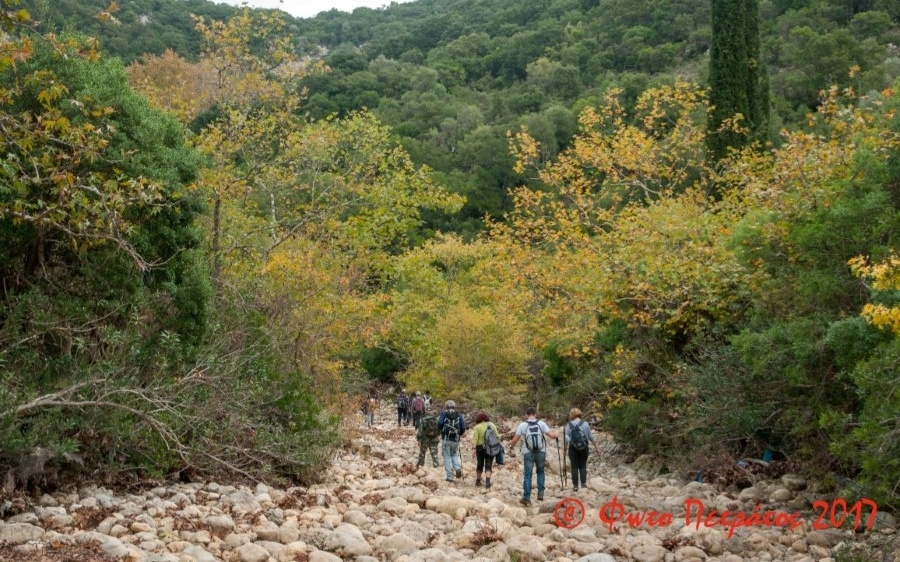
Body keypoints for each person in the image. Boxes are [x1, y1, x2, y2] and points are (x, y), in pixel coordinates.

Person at [508, 407, 558, 506]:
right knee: (540, 472)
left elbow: (515, 440)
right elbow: (552, 436)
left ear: (527, 415)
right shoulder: (541, 424)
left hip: (528, 453)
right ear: (535, 414)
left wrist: (511, 447)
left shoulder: (523, 425)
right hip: (541, 452)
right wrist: (557, 433)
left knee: (528, 474)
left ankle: (526, 498)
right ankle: (540, 493)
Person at [565, 408, 602, 491]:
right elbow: (590, 437)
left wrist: (564, 450)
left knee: (574, 467)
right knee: (582, 466)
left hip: (573, 448)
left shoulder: (569, 424)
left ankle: (575, 486)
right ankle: (583, 484)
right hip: (584, 448)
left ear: (572, 415)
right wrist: (596, 447)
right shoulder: (585, 424)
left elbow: (566, 437)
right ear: (579, 414)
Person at [438, 400, 466, 482]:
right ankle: (457, 468)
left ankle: (449, 477)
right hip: (455, 439)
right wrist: (459, 434)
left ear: (446, 406)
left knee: (446, 457)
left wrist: (441, 431)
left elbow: (439, 424)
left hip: (446, 439)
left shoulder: (444, 413)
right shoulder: (459, 415)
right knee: (454, 454)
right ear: (454, 406)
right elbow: (463, 427)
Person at [471, 411, 500, 488]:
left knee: (480, 464)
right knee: (489, 464)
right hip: (490, 447)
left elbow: (475, 439)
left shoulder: (477, 427)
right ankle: (487, 483)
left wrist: (473, 449)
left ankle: (478, 481)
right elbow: (497, 437)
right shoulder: (492, 425)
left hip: (480, 448)